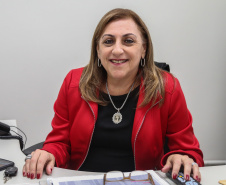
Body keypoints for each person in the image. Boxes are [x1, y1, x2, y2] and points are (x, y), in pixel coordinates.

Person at [23, 8, 204, 182]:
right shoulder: (74, 82)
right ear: (98, 50)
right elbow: (60, 143)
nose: (117, 50)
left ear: (144, 49)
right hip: (82, 181)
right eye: (108, 41)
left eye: (128, 41)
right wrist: (49, 153)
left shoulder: (167, 88)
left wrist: (183, 158)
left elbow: (188, 151)